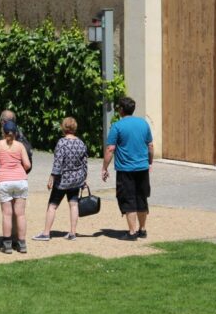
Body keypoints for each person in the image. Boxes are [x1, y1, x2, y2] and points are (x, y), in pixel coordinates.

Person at [101, 96, 154, 241]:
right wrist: (150, 162)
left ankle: (132, 232)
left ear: (121, 110)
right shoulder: (144, 124)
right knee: (141, 198)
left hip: (126, 170)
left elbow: (110, 149)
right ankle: (142, 230)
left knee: (128, 199)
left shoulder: (117, 126)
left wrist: (104, 168)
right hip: (142, 168)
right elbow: (150, 146)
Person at [33, 117, 88, 242]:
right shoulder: (81, 143)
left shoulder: (61, 142)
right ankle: (73, 233)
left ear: (64, 128)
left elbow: (58, 163)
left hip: (63, 180)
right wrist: (84, 178)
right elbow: (85, 163)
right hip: (76, 179)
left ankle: (46, 233)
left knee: (52, 205)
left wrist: (52, 177)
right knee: (73, 204)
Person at [0, 121, 31, 254]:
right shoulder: (20, 145)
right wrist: (20, 171)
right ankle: (22, 244)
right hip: (20, 180)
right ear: (16, 132)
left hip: (4, 181)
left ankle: (7, 244)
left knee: (7, 214)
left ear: (3, 132)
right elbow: (28, 164)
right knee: (20, 214)